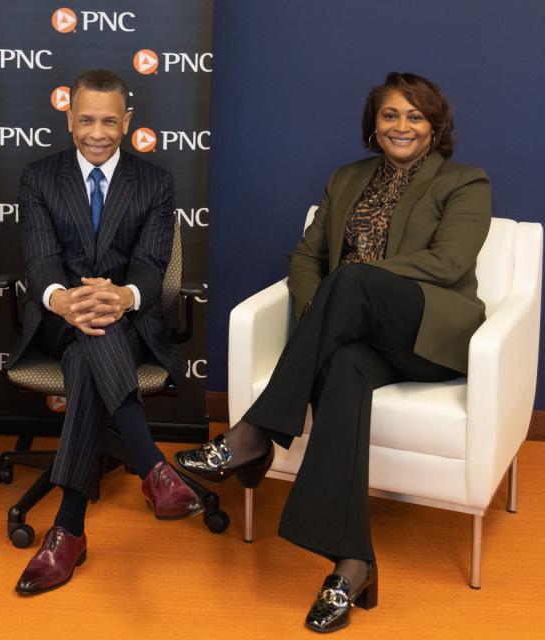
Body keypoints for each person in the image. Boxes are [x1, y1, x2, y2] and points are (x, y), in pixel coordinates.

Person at [176, 72, 492, 632]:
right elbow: (305, 257)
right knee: (344, 370)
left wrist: (351, 285)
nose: (401, 126)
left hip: (427, 334)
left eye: (415, 116)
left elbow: (448, 265)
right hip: (356, 339)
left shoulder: (465, 182)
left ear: (436, 126)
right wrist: (321, 310)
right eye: (390, 114)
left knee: (351, 279)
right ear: (374, 124)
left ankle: (253, 435)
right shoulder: (347, 178)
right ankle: (352, 566)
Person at [8, 69, 202, 595]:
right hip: (57, 320)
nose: (98, 132)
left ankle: (68, 532)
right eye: (87, 119)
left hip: (128, 322)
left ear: (128, 123)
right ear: (69, 119)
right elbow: (42, 259)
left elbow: (149, 265)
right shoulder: (39, 178)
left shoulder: (155, 182)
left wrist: (121, 298)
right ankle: (153, 468)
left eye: (110, 121)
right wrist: (65, 301)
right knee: (91, 339)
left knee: (94, 347)